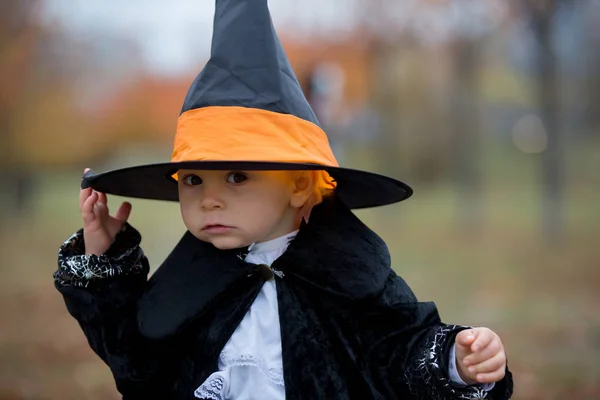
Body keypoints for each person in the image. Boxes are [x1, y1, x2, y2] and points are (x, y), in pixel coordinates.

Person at [54, 0, 514, 399]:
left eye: (237, 176)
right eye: (193, 179)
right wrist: (104, 262)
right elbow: (135, 362)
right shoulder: (186, 285)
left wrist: (455, 362)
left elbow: (396, 356)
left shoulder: (351, 276)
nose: (208, 200)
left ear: (298, 184)